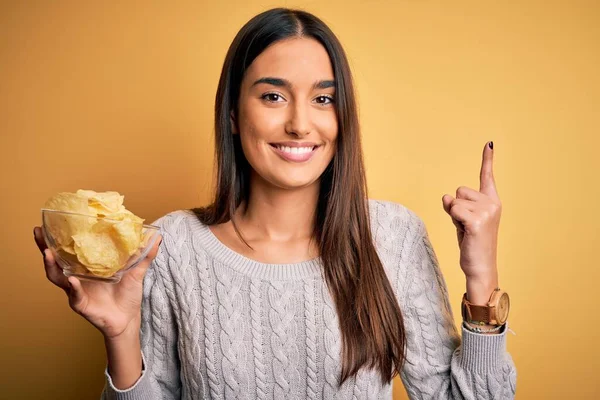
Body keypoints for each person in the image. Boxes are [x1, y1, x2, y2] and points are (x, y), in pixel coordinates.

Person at [33, 7, 517, 399]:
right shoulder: (170, 247)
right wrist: (120, 334)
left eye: (324, 100)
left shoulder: (392, 236)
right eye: (272, 96)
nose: (301, 125)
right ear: (232, 116)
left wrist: (482, 281)